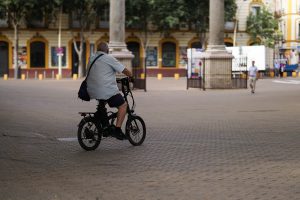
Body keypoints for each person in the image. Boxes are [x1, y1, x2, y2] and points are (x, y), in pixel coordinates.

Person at [87, 42, 133, 140]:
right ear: (107, 50)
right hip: (106, 91)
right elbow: (125, 70)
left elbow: (100, 73)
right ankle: (117, 129)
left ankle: (105, 126)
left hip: (91, 90)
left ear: (97, 50)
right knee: (123, 105)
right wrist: (131, 76)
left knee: (102, 105)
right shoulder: (109, 58)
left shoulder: (91, 58)